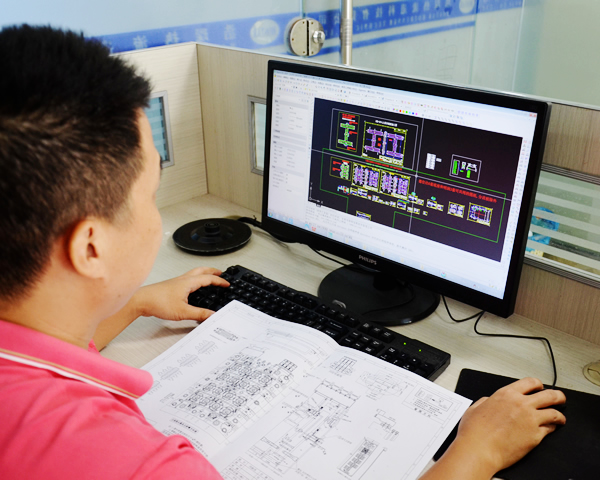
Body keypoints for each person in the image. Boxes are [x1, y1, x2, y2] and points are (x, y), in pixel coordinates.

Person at [0, 24, 565, 480]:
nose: (156, 216)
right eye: (150, 195)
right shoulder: (130, 462)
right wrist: (477, 452)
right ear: (90, 248)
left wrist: (133, 303)